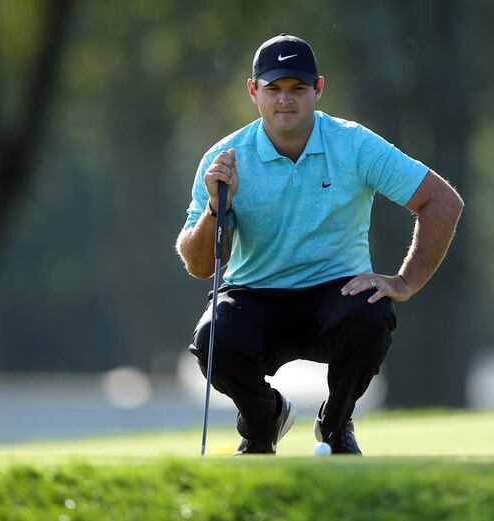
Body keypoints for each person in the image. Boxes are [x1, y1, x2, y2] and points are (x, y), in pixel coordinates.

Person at [175, 33, 463, 455]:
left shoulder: (353, 144)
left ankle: (335, 424)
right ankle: (262, 421)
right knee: (214, 336)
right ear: (254, 91)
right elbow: (201, 265)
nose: (285, 101)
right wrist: (218, 208)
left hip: (335, 292)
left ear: (318, 89)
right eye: (273, 89)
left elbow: (442, 201)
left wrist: (405, 281)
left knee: (372, 313)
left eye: (297, 89)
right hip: (254, 293)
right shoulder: (226, 158)